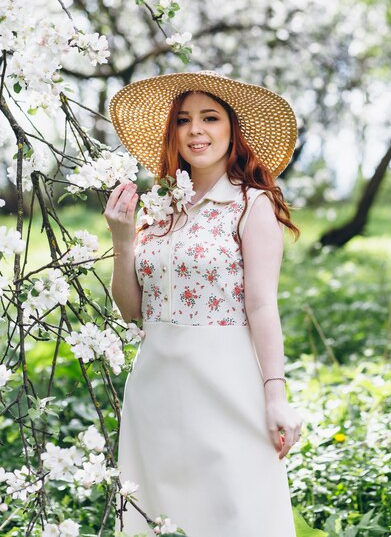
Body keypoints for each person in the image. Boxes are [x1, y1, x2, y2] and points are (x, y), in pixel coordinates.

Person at [106, 70, 303, 536]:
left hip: (225, 384)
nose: (196, 130)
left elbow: (262, 306)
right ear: (172, 132)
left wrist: (276, 394)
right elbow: (134, 310)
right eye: (184, 120)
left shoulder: (252, 206)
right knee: (159, 516)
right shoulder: (159, 208)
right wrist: (122, 240)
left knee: (235, 511)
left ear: (232, 129)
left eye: (210, 118)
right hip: (154, 387)